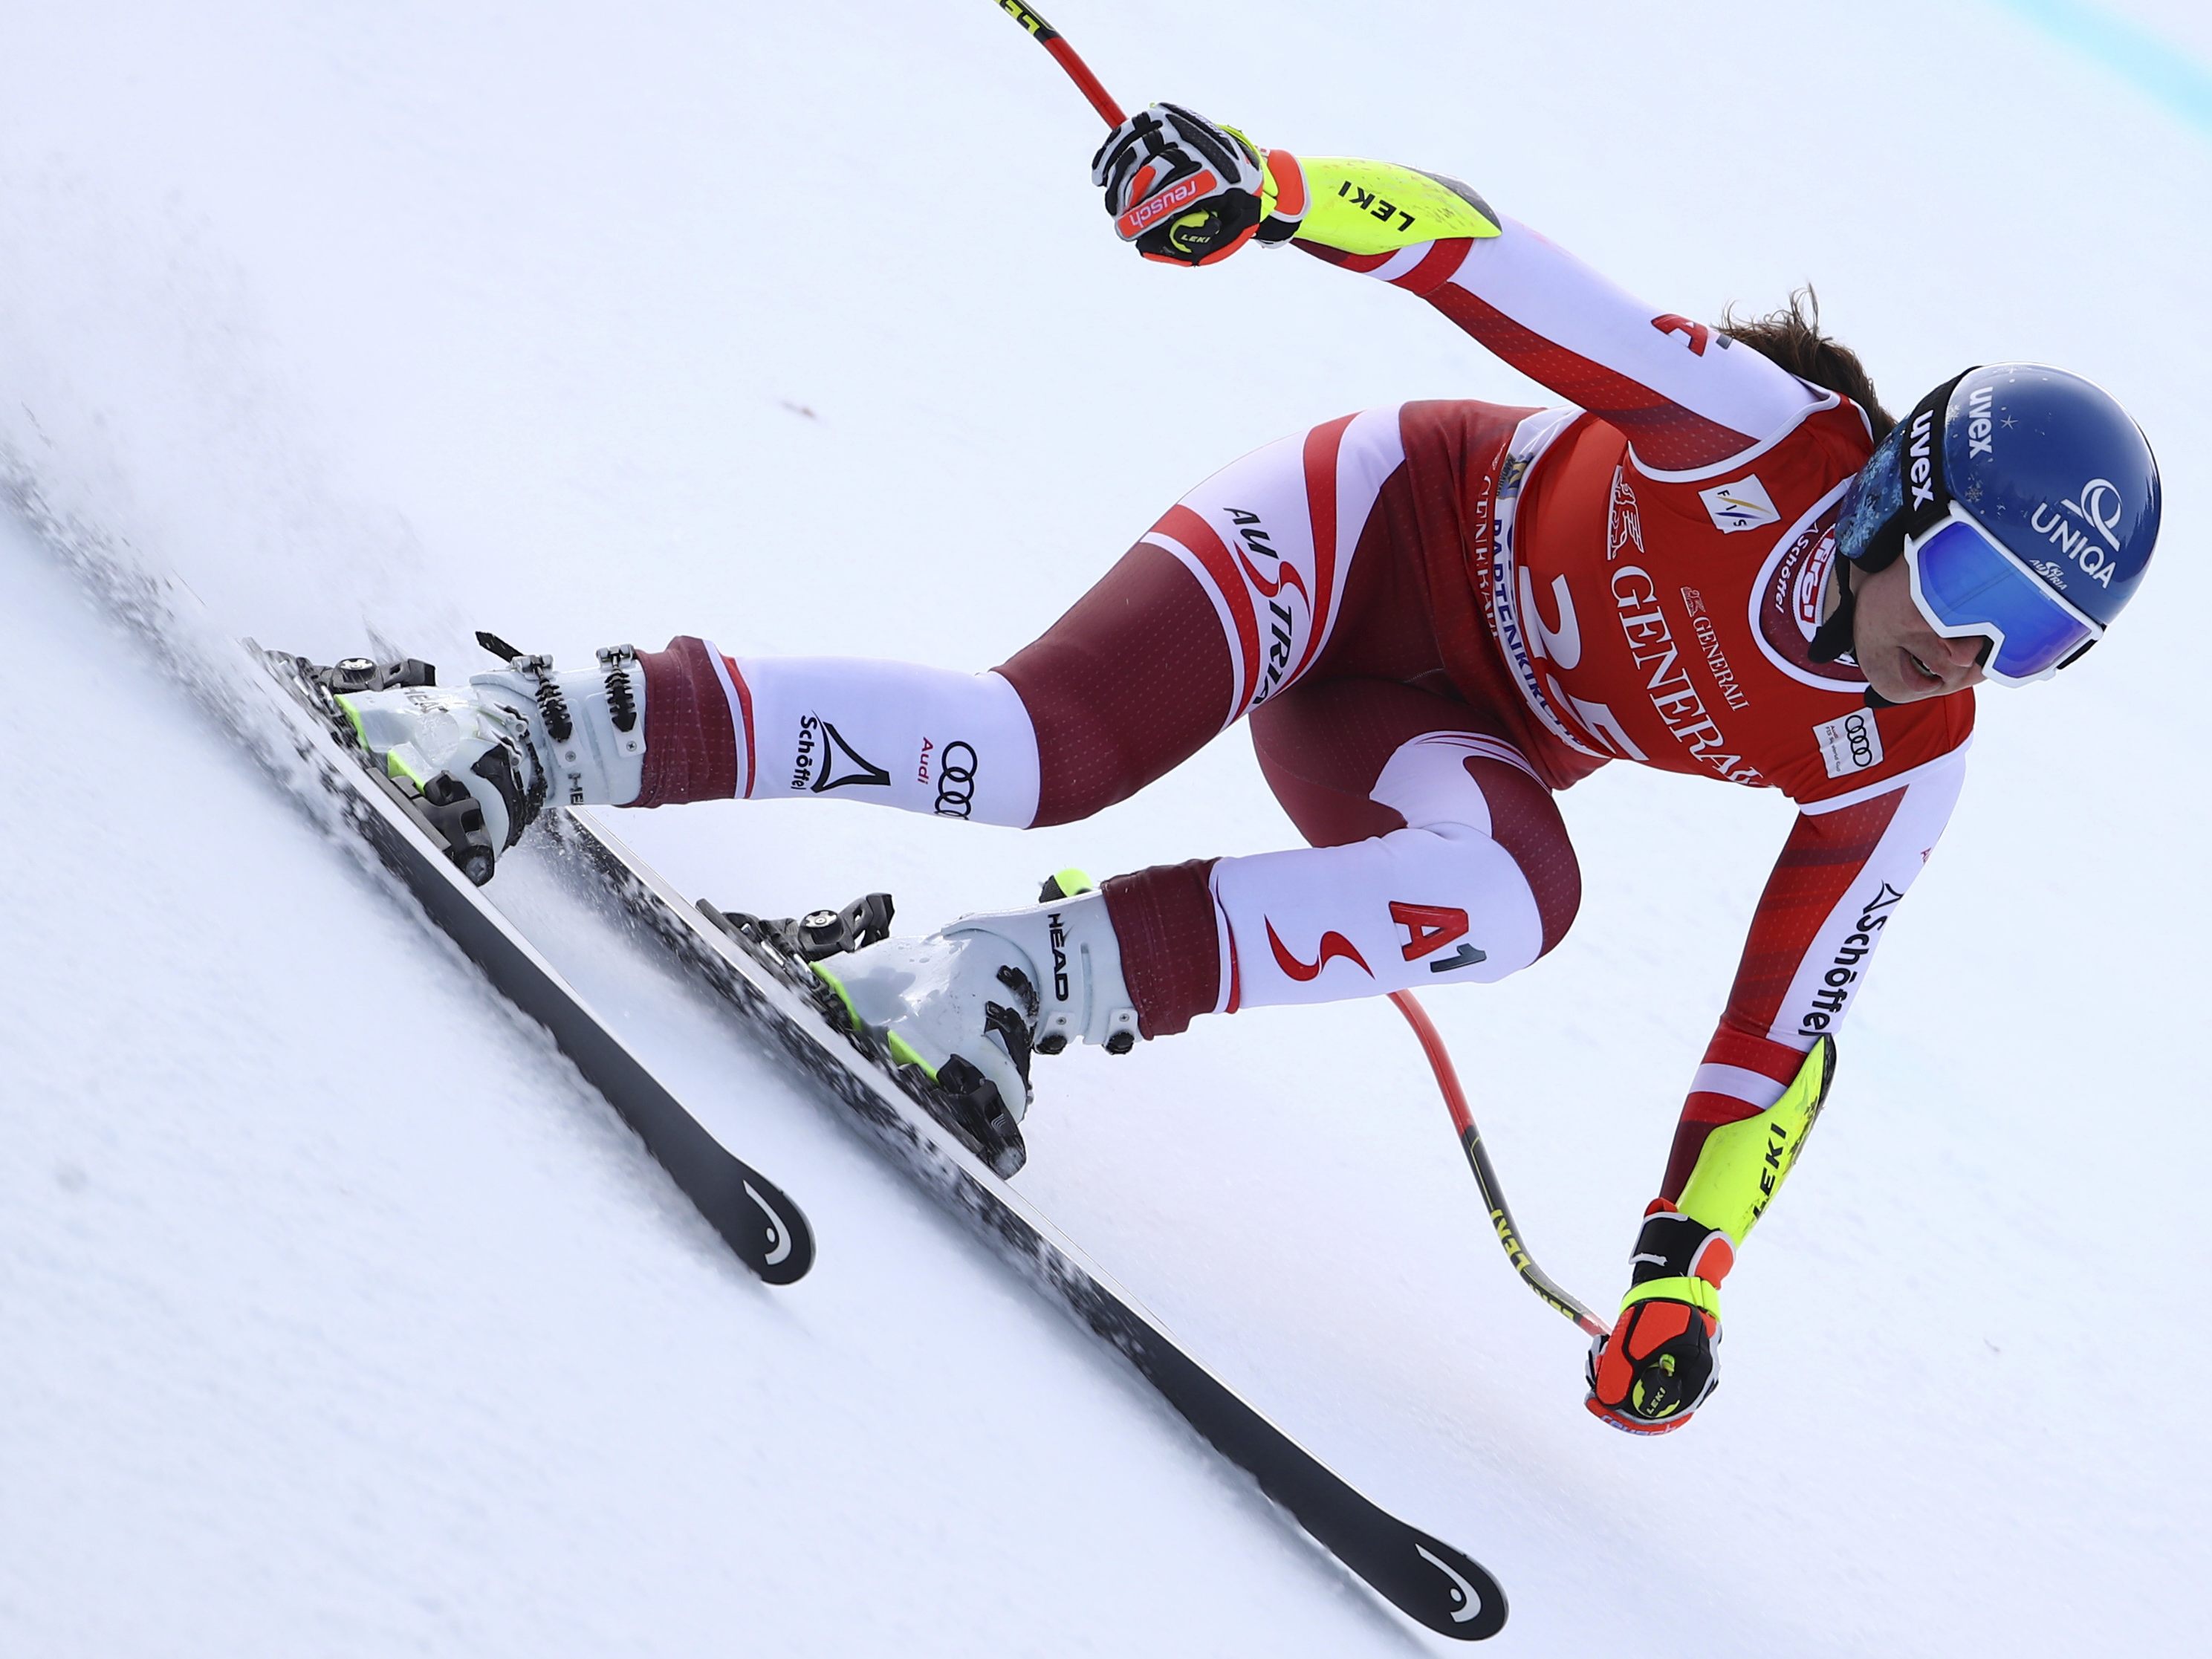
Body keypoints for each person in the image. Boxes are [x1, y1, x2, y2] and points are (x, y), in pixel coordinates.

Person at [331, 105, 2162, 1435]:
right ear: (1891, 492)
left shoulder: (1906, 753)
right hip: (1352, 535)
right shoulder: (1754, 438)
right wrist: (1269, 195)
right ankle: (529, 721)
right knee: (1038, 747)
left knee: (1525, 897)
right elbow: (1483, 253)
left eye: (2042, 636)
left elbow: (1785, 1028)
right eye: (1971, 577)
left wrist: (1681, 1277)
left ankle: (989, 988)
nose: (1973, 647)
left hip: (1422, 735)